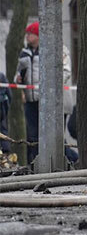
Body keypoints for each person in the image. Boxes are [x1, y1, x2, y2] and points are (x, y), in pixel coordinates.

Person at [14, 23, 73, 164]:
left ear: (39, 35)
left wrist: (49, 89)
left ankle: (70, 161)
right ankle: (36, 164)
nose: (27, 36)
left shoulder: (57, 49)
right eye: (27, 33)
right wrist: (18, 79)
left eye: (30, 33)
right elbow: (18, 74)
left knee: (55, 138)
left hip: (52, 102)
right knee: (33, 136)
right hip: (31, 100)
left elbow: (65, 72)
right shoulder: (24, 53)